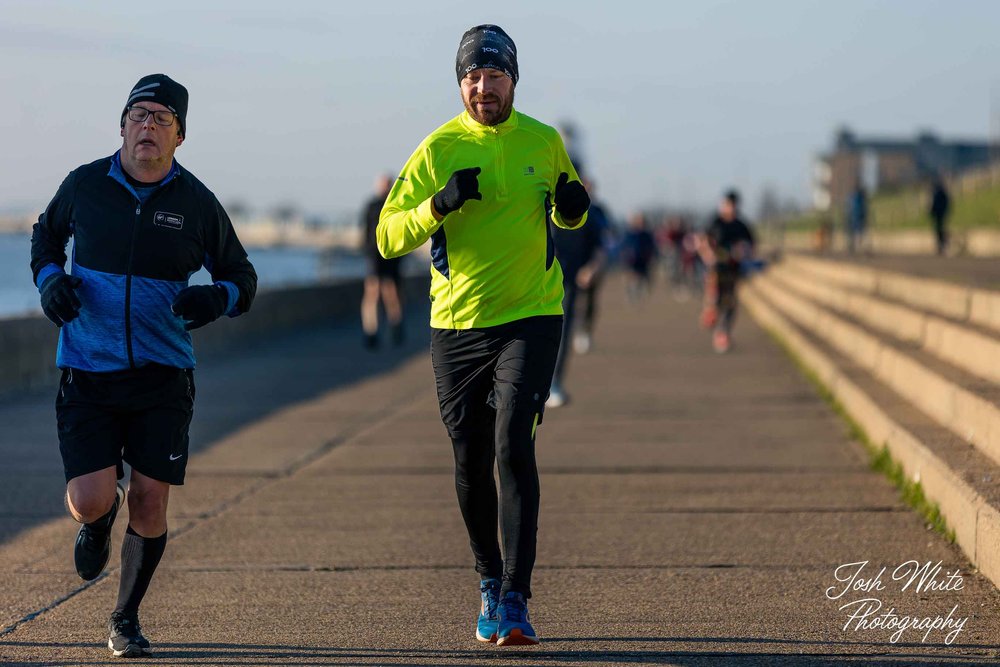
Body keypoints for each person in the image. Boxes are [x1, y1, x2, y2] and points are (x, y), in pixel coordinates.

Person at [29, 74, 257, 658]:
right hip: (88, 371)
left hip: (162, 376)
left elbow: (242, 277)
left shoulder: (197, 203)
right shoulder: (84, 186)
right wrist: (51, 281)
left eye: (161, 118)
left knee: (152, 498)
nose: (147, 126)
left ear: (180, 135)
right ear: (122, 126)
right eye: (138, 115)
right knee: (91, 498)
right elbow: (45, 238)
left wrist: (217, 298)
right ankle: (98, 519)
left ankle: (125, 617)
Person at [378, 24, 589, 647]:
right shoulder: (438, 147)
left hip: (531, 315)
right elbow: (388, 237)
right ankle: (489, 582)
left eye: (493, 75)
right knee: (469, 457)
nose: (482, 87)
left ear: (512, 80)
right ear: (460, 83)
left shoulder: (544, 142)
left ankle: (518, 599)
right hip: (457, 326)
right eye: (471, 76)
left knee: (511, 446)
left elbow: (566, 212)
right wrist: (437, 205)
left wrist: (574, 204)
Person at [547, 178, 607, 407]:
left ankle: (554, 383)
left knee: (562, 333)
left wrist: (591, 268)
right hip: (537, 282)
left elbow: (600, 247)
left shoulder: (591, 216)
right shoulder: (543, 208)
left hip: (570, 281)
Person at [698, 189, 755, 353]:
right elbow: (702, 242)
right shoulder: (714, 222)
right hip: (715, 268)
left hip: (733, 269)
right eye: (726, 204)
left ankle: (723, 334)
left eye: (732, 204)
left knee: (730, 303)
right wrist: (707, 254)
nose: (729, 207)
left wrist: (743, 252)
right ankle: (710, 313)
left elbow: (751, 246)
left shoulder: (741, 226)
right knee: (714, 296)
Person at [360, 173, 403, 348]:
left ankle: (396, 327)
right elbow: (365, 233)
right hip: (374, 256)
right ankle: (371, 331)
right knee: (373, 292)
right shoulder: (372, 205)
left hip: (392, 256)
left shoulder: (396, 204)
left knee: (391, 293)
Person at [620, 211, 657, 302]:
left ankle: (642, 295)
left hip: (644, 260)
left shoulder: (647, 235)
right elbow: (623, 246)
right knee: (632, 278)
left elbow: (652, 246)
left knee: (644, 279)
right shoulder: (629, 234)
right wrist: (625, 256)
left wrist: (651, 256)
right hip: (631, 261)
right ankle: (631, 295)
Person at [929, 177, 951, 255]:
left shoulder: (940, 193)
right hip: (938, 215)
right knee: (939, 230)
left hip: (941, 214)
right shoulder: (937, 193)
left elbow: (945, 203)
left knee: (940, 230)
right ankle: (941, 246)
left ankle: (943, 245)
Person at [846, 183, 867, 254]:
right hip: (855, 218)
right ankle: (854, 247)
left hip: (857, 218)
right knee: (856, 234)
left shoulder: (857, 197)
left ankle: (857, 247)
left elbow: (863, 209)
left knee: (858, 234)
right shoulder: (856, 197)